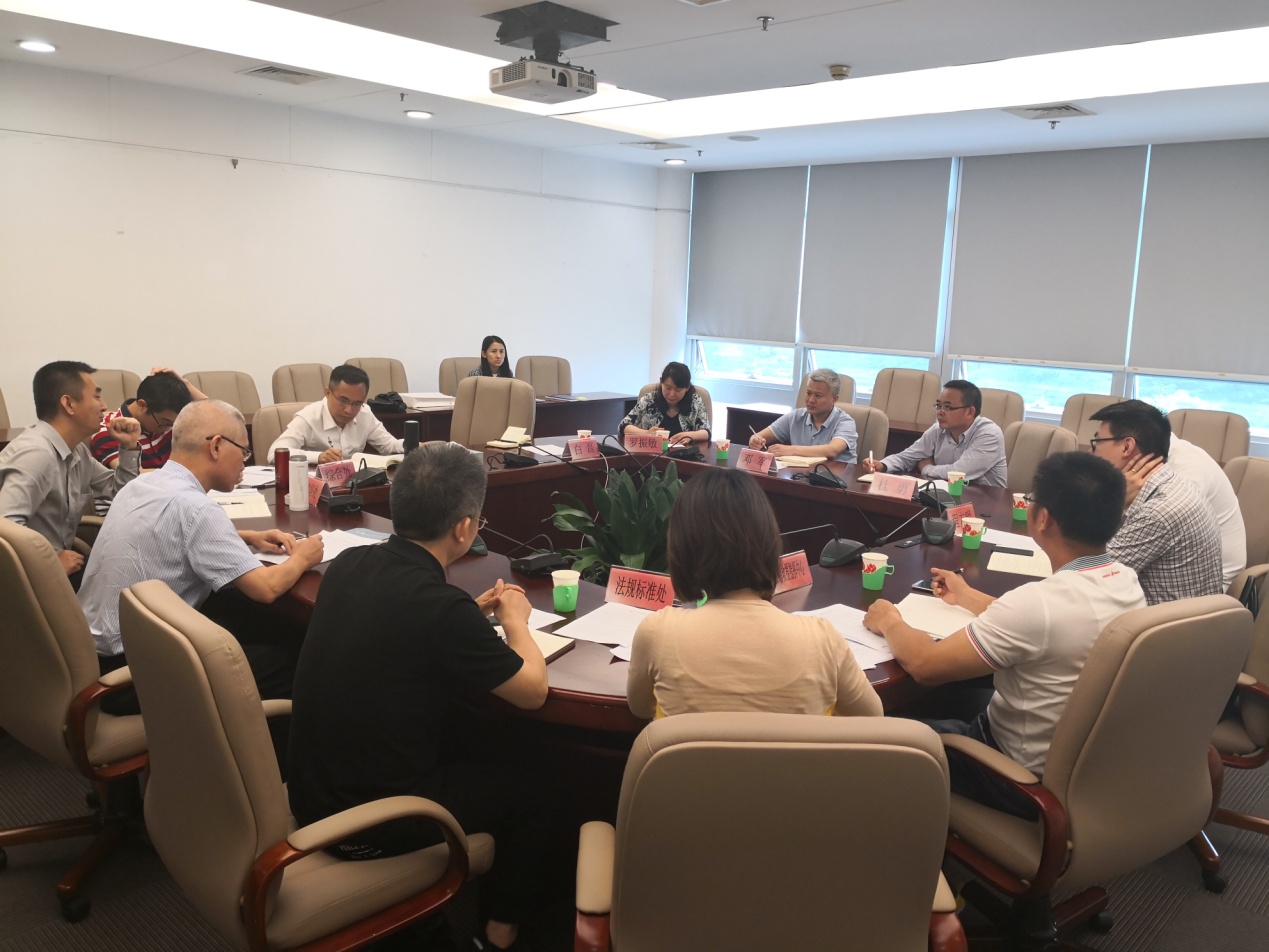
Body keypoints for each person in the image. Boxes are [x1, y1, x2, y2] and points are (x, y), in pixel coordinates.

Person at [287, 442, 553, 952]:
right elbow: (532, 692)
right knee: (539, 790)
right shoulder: (439, 607)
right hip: (369, 824)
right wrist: (516, 622)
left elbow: (401, 624)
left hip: (312, 796)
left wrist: (466, 616)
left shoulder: (350, 565)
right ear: (464, 528)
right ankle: (497, 935)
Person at [862, 452, 1146, 818]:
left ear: (1042, 518)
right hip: (1086, 769)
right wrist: (968, 597)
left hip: (1015, 778)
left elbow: (924, 664)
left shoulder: (1038, 604)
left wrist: (888, 619)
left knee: (869, 736)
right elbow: (1046, 624)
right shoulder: (1125, 580)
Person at [78, 400, 325, 714]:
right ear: (217, 446)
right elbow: (266, 588)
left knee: (250, 617)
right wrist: (303, 557)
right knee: (294, 660)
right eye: (244, 452)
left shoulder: (143, 484)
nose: (244, 463)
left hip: (96, 656)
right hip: (132, 677)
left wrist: (247, 536)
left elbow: (169, 532)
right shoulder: (196, 508)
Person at [628, 467, 881, 719]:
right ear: (768, 540)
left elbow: (640, 708)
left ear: (681, 547)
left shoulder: (657, 633)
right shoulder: (823, 639)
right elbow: (872, 717)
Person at [0, 361, 141, 580]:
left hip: (52, 571)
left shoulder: (77, 452)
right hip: (29, 579)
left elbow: (120, 491)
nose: (104, 406)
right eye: (96, 397)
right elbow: (4, 528)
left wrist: (129, 446)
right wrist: (50, 561)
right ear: (69, 404)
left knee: (134, 571)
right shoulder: (36, 454)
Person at [1089, 400, 1224, 605]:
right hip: (1177, 616)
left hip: (1163, 623)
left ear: (1126, 446)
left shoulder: (1157, 512)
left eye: (1097, 442)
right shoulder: (1171, 482)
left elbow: (1090, 578)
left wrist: (1111, 502)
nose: (1091, 453)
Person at [863, 379, 1007, 488]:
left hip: (987, 505)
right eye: (938, 405)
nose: (940, 412)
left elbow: (958, 473)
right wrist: (883, 465)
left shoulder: (989, 434)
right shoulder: (938, 429)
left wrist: (926, 468)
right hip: (947, 498)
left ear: (970, 412)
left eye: (948, 407)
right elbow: (908, 456)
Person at [1154, 432, 1245, 590]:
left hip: (1212, 583)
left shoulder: (1189, 470)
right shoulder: (1168, 455)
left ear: (1128, 444)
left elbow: (1142, 537)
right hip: (1178, 567)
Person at [266, 364, 404, 464]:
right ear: (327, 393)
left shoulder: (364, 413)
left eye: (356, 403)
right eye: (343, 401)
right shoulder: (309, 417)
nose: (349, 410)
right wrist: (318, 457)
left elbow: (389, 446)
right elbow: (275, 453)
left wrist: (412, 443)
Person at [91, 366, 205, 470]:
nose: (168, 429)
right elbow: (132, 475)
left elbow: (212, 417)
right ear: (142, 405)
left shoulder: (170, 421)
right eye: (165, 422)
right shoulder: (110, 431)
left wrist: (184, 384)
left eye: (173, 424)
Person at [748, 368, 858, 461]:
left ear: (834, 399)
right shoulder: (796, 416)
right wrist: (754, 441)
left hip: (836, 478)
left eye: (818, 395)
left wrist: (791, 450)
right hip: (801, 476)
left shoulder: (845, 422)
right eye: (809, 393)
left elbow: (832, 450)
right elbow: (758, 436)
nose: (811, 400)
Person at [618, 360, 711, 444]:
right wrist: (646, 433)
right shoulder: (649, 400)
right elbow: (623, 426)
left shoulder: (695, 402)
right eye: (668, 388)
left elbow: (706, 432)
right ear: (661, 381)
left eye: (678, 390)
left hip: (685, 454)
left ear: (687, 388)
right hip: (652, 454)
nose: (672, 394)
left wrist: (690, 435)